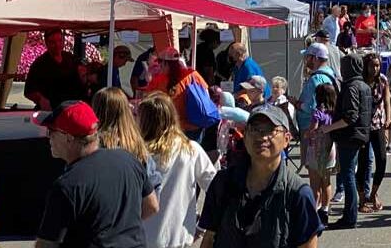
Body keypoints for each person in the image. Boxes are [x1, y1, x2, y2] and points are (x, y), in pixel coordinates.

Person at [35, 100, 159, 248]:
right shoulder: (128, 159)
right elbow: (152, 206)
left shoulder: (67, 186)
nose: (49, 137)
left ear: (68, 137)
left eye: (51, 131)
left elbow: (46, 244)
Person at [199, 105, 322, 248]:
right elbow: (209, 238)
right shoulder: (223, 182)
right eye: (254, 129)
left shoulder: (298, 193)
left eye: (271, 130)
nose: (261, 136)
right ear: (244, 137)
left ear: (287, 139)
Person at [138, 92, 218, 248]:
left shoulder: (139, 154)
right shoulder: (191, 150)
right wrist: (203, 226)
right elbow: (216, 190)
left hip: (143, 237)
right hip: (179, 238)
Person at [322, 53, 372, 229]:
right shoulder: (364, 86)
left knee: (347, 175)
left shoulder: (351, 87)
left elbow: (350, 116)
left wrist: (329, 127)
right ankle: (350, 214)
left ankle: (350, 216)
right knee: (349, 173)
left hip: (349, 136)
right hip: (360, 134)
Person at [360, 52, 391, 214]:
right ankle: (362, 198)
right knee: (364, 163)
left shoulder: (383, 80)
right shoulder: (361, 82)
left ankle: (373, 192)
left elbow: (387, 100)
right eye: (372, 65)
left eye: (378, 65)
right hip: (363, 127)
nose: (375, 68)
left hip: (378, 124)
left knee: (382, 159)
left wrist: (388, 118)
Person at [303, 81, 337, 222]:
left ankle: (313, 210)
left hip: (316, 149)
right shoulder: (333, 113)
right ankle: (325, 209)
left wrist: (306, 134)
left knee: (314, 184)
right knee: (326, 182)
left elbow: (312, 130)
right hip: (330, 149)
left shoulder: (318, 112)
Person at [25, 29, 82, 110]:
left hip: (70, 109)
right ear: (46, 43)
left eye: (60, 41)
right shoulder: (39, 64)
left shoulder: (71, 58)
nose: (57, 45)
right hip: (50, 111)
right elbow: (28, 92)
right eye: (53, 42)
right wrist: (41, 99)